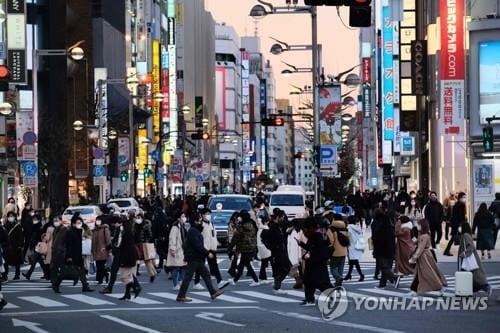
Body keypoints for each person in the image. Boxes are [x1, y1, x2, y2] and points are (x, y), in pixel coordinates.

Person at [176, 213, 224, 302]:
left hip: (196, 257)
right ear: (195, 221)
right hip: (194, 257)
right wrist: (207, 253)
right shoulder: (193, 231)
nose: (201, 221)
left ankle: (213, 292)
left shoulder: (195, 230)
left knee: (205, 274)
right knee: (188, 276)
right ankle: (181, 295)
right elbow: (197, 245)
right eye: (200, 219)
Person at [296, 217, 332, 306]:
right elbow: (320, 248)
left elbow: (314, 248)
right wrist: (301, 244)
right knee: (315, 282)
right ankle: (310, 299)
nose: (305, 231)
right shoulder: (322, 235)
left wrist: (307, 254)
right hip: (319, 262)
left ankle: (310, 299)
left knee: (316, 282)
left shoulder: (316, 235)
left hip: (315, 262)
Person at [53, 215, 93, 293]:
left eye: (80, 222)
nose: (80, 224)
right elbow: (68, 245)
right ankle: (56, 284)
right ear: (73, 224)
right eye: (78, 223)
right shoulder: (70, 232)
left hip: (78, 254)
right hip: (71, 255)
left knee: (82, 271)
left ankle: (85, 286)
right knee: (64, 272)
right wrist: (68, 256)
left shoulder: (79, 231)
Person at [409, 219, 447, 296]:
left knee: (429, 273)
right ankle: (414, 290)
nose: (417, 226)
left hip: (424, 256)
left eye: (418, 224)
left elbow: (420, 248)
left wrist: (413, 258)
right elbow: (418, 244)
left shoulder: (424, 236)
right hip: (425, 255)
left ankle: (440, 286)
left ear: (422, 226)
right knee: (421, 273)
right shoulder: (422, 234)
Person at [193, 208, 226, 289]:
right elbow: (198, 237)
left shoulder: (211, 223)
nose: (209, 216)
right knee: (200, 265)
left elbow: (213, 234)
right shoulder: (200, 225)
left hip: (211, 248)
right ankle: (196, 282)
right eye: (207, 214)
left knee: (214, 265)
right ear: (203, 215)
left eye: (209, 214)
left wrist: (216, 242)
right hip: (203, 248)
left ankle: (220, 281)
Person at [261, 210, 291, 294]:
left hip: (279, 250)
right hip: (277, 251)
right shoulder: (272, 226)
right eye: (282, 217)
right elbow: (263, 237)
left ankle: (277, 286)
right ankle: (277, 287)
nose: (283, 218)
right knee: (284, 268)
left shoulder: (276, 225)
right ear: (278, 217)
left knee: (283, 268)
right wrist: (272, 247)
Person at [458, 222, 491, 294]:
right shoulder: (466, 235)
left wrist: (463, 254)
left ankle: (485, 286)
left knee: (470, 275)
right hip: (467, 259)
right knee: (470, 276)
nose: (459, 228)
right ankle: (469, 290)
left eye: (460, 227)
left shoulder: (465, 235)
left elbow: (471, 247)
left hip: (468, 259)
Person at [230, 211, 259, 286]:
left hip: (243, 247)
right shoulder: (252, 224)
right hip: (251, 246)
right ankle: (235, 280)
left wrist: (230, 246)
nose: (239, 218)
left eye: (240, 217)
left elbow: (236, 237)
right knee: (242, 264)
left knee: (247, 264)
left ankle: (256, 280)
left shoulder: (241, 226)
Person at [118, 214, 142, 300]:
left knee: (124, 276)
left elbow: (119, 244)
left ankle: (136, 287)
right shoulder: (130, 231)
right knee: (129, 275)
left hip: (127, 258)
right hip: (131, 257)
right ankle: (127, 294)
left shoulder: (126, 234)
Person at [371, 209, 397, 288]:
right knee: (386, 266)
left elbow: (376, 236)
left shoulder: (377, 223)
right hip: (390, 247)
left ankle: (394, 277)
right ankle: (383, 283)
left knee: (383, 266)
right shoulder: (388, 223)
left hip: (381, 248)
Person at [133, 212, 157, 282]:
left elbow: (150, 235)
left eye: (139, 218)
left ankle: (152, 274)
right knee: (140, 260)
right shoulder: (134, 226)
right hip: (137, 245)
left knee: (147, 261)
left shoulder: (146, 226)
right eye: (137, 218)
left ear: (142, 218)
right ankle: (152, 274)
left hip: (143, 245)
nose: (138, 219)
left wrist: (147, 241)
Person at [23, 214, 48, 280]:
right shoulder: (35, 226)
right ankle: (46, 274)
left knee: (35, 262)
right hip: (37, 246)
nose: (34, 220)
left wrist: (34, 244)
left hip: (38, 246)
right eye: (33, 219)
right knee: (40, 262)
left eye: (35, 219)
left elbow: (38, 237)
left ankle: (29, 274)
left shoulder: (39, 227)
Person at [166, 211, 187, 290]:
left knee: (183, 266)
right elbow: (172, 239)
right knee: (176, 267)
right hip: (177, 250)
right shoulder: (175, 227)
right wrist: (173, 249)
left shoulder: (182, 226)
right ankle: (175, 284)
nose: (184, 218)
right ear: (178, 218)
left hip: (182, 250)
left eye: (184, 216)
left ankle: (180, 280)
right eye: (182, 216)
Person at [327, 219, 350, 287]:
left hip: (335, 252)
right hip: (344, 252)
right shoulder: (346, 231)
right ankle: (338, 282)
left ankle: (338, 278)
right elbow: (349, 242)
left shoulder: (332, 231)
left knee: (333, 267)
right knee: (341, 268)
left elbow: (331, 241)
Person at [394, 216, 415, 287]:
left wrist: (398, 223)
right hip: (408, 247)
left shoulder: (404, 229)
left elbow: (396, 233)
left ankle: (405, 272)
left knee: (404, 263)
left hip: (405, 248)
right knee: (407, 263)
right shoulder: (408, 228)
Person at [443, 192, 467, 256]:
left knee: (457, 238)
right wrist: (460, 225)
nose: (464, 199)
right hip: (458, 224)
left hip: (457, 224)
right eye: (463, 197)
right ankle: (447, 250)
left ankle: (448, 250)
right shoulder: (460, 205)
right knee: (456, 237)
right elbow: (458, 216)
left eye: (465, 197)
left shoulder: (458, 204)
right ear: (460, 197)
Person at [49, 216, 69, 291]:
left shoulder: (65, 230)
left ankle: (56, 283)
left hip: (62, 253)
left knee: (63, 271)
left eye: (57, 220)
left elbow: (67, 242)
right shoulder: (55, 230)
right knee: (53, 269)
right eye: (54, 220)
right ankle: (54, 284)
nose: (55, 222)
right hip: (55, 252)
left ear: (61, 221)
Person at [344, 216, 365, 282]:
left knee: (354, 261)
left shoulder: (348, 228)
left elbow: (348, 237)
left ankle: (361, 275)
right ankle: (349, 275)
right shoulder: (357, 227)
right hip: (357, 245)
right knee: (353, 261)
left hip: (351, 246)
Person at [4, 212, 23, 280]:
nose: (10, 217)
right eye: (9, 216)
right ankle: (5, 275)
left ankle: (17, 275)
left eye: (12, 216)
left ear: (14, 217)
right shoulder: (5, 226)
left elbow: (21, 236)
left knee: (17, 262)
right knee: (6, 262)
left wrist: (20, 245)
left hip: (16, 246)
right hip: (7, 246)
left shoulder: (18, 226)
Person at [92, 215, 111, 284]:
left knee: (101, 265)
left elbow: (108, 240)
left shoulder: (105, 229)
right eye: (97, 220)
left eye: (99, 220)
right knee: (98, 265)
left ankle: (102, 278)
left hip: (103, 249)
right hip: (96, 250)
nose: (97, 221)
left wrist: (109, 250)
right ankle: (103, 276)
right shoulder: (95, 230)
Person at [257, 215, 272, 283]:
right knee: (269, 261)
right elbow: (265, 239)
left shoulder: (260, 228)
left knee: (264, 262)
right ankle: (263, 277)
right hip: (265, 247)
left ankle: (262, 277)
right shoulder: (265, 228)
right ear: (266, 222)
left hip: (260, 246)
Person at [227, 212, 240, 278]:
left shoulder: (237, 223)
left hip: (238, 243)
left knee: (236, 258)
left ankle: (233, 270)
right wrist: (232, 244)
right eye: (238, 217)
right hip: (234, 243)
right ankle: (233, 270)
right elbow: (230, 235)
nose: (238, 219)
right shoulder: (231, 224)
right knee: (235, 257)